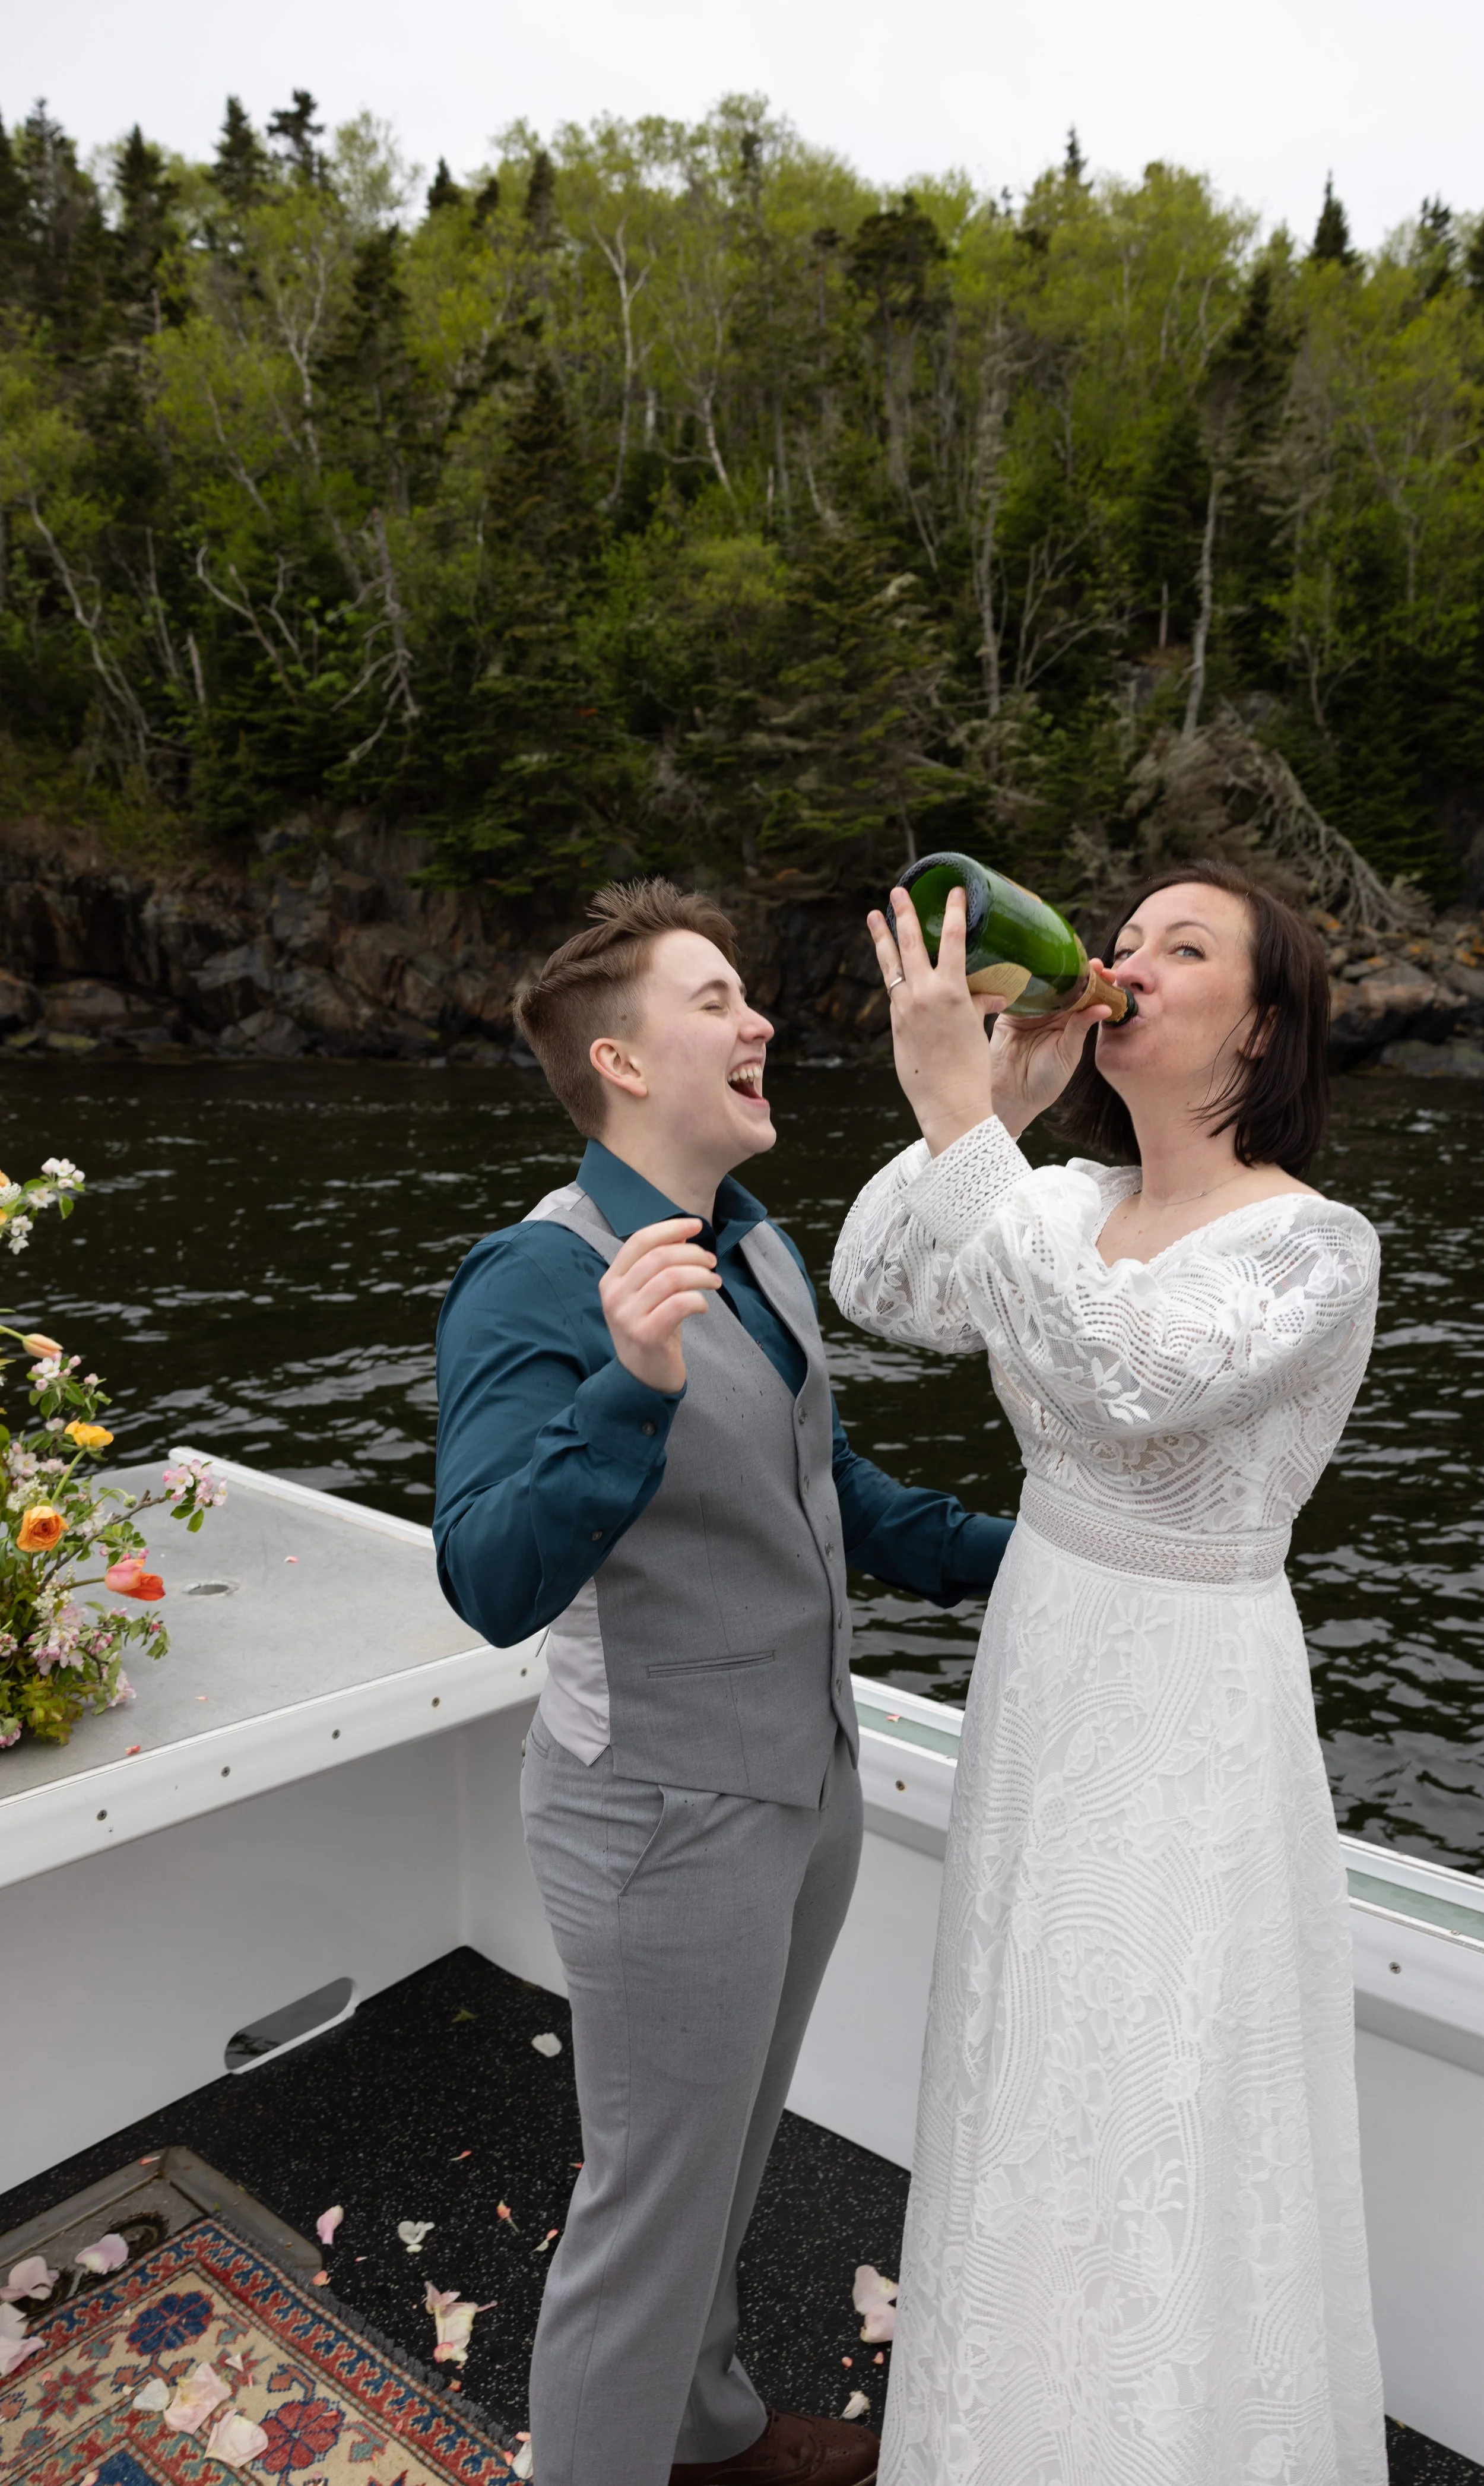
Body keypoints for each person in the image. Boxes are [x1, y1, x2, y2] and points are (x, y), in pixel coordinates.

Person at [433, 878, 1013, 2486]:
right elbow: (488, 1579)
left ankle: (705, 2434)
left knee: (725, 2162)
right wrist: (626, 1385)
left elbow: (829, 1490)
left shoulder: (749, 1242)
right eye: (714, 1001)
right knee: (646, 2211)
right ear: (620, 1062)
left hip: (801, 1784)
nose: (759, 1021)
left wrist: (1039, 1555)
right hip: (661, 1819)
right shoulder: (531, 1279)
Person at [830, 860, 1387, 2486]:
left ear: (1261, 1025)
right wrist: (997, 1101)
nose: (1127, 961)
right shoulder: (1065, 1203)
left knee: (1155, 2067)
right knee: (1028, 2040)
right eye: (1122, 937)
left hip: (1190, 1694)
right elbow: (880, 1286)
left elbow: (1125, 1371)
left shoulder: (1313, 1246)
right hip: (1047, 1661)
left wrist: (962, 1125)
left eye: (1182, 947)